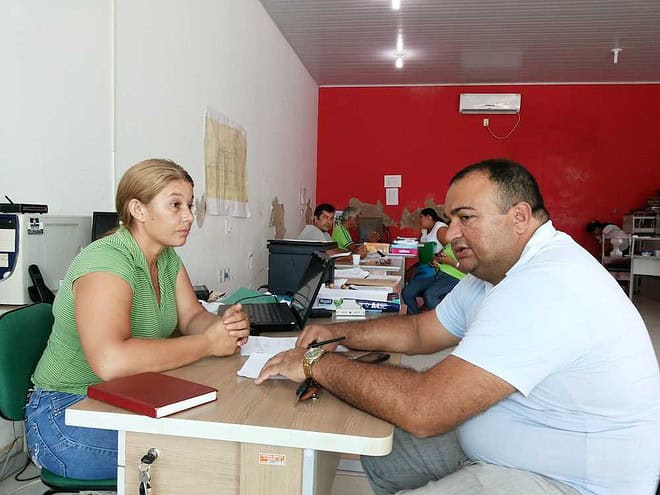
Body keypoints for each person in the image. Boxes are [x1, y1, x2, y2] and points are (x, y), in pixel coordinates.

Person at [256, 158, 660, 494]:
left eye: (467, 218)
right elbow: (419, 332)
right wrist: (336, 334)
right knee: (383, 462)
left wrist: (316, 364)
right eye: (451, 219)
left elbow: (425, 408)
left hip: (572, 482)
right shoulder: (492, 273)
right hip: (512, 435)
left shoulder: (548, 283)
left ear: (519, 217)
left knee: (401, 418)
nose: (451, 234)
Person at [26, 159, 250, 480]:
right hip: (67, 413)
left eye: (189, 205)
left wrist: (221, 328)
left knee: (222, 430)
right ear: (138, 210)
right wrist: (207, 344)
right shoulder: (106, 261)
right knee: (210, 455)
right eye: (175, 205)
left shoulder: (167, 257)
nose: (188, 216)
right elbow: (111, 361)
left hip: (127, 395)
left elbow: (191, 317)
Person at [401, 243, 464, 314]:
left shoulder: (468, 246)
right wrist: (435, 260)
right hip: (439, 275)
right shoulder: (451, 243)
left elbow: (469, 268)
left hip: (455, 278)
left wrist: (450, 262)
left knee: (430, 295)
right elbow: (440, 256)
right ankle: (415, 318)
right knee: (407, 292)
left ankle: (441, 322)